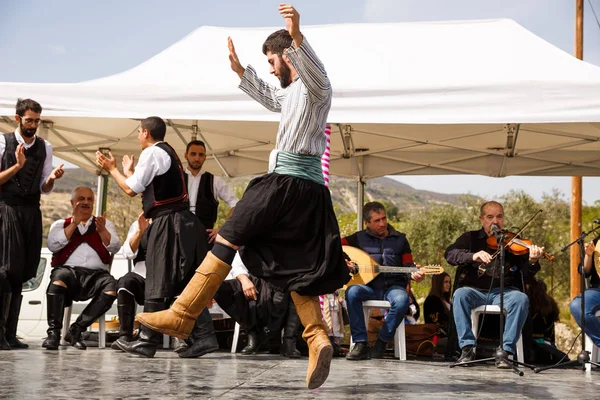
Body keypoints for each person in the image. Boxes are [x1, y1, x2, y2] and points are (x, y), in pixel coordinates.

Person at [134, 4, 349, 389]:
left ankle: (183, 314)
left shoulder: (317, 87)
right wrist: (240, 71)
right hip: (307, 191)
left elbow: (313, 70)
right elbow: (271, 97)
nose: (270, 68)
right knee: (293, 264)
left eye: (271, 61)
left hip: (288, 182)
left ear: (287, 57)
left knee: (229, 233)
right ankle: (317, 339)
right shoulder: (293, 94)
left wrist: (297, 33)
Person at [95, 116, 207, 358]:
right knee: (181, 282)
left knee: (159, 279)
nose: (137, 136)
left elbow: (130, 189)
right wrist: (130, 172)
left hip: (170, 222)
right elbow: (147, 187)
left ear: (145, 132)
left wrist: (112, 169)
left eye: (138, 132)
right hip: (178, 221)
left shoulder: (153, 153)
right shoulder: (164, 153)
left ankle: (149, 339)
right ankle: (198, 336)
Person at [444, 200, 543, 368]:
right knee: (460, 294)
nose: (495, 221)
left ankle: (505, 351)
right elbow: (450, 255)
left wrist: (533, 260)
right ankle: (467, 348)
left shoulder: (513, 241)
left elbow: (526, 273)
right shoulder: (470, 238)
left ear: (503, 219)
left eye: (499, 217)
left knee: (521, 299)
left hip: (505, 292)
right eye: (490, 217)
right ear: (482, 219)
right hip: (475, 291)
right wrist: (472, 256)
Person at [0, 99, 65, 350]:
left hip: (31, 212)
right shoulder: (4, 142)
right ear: (18, 119)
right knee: (5, 269)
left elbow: (44, 188)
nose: (34, 125)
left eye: (37, 120)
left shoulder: (45, 147)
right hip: (7, 208)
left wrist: (51, 179)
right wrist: (17, 166)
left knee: (23, 272)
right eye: (29, 120)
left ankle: (11, 333)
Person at [344, 201, 425, 361]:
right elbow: (335, 246)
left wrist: (414, 273)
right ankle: (360, 344)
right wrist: (344, 262)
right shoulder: (358, 238)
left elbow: (408, 264)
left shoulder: (400, 239)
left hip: (393, 287)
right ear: (367, 223)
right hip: (369, 287)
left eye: (384, 218)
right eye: (377, 220)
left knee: (402, 300)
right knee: (352, 292)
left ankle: (381, 343)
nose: (382, 223)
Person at [42, 186, 121, 350]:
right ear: (72, 203)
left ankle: (76, 330)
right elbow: (52, 245)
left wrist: (103, 231)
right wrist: (75, 223)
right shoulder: (59, 224)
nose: (86, 203)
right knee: (58, 280)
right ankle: (53, 334)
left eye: (89, 199)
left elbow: (115, 247)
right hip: (68, 273)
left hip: (97, 276)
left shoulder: (104, 224)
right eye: (81, 199)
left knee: (111, 288)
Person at [184, 140, 238, 245]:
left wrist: (223, 229)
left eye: (200, 155)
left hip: (204, 239)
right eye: (193, 154)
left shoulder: (214, 180)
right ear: (186, 156)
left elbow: (236, 204)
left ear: (205, 157)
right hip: (179, 237)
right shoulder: (177, 179)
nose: (197, 158)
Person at [111, 213, 149, 349]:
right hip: (141, 274)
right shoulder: (137, 224)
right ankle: (125, 336)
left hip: (166, 275)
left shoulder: (174, 222)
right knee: (125, 283)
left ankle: (178, 339)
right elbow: (127, 253)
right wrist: (140, 231)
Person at [570, 238, 600, 350]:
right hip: (598, 291)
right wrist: (589, 255)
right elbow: (585, 271)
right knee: (578, 306)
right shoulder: (597, 242)